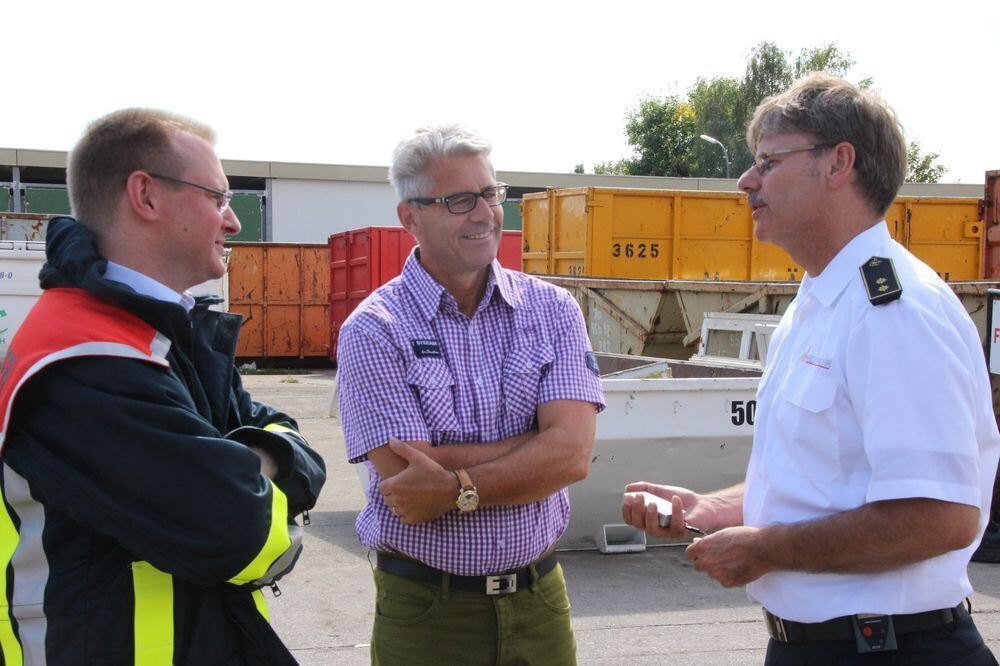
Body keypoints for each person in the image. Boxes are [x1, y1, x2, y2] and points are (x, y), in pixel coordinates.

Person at [622, 73, 1000, 665]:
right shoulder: (819, 303)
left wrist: (767, 548)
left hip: (891, 648)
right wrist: (713, 511)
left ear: (837, 164)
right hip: (824, 646)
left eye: (769, 161)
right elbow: (827, 479)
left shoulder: (894, 311)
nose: (747, 181)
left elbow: (939, 517)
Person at [0, 109, 326, 664]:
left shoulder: (158, 337)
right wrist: (260, 461)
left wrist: (255, 456)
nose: (234, 223)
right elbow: (237, 535)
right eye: (218, 198)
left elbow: (293, 443)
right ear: (146, 196)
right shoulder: (85, 362)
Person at [336, 124, 605, 665]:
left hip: (540, 603)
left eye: (490, 193)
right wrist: (535, 444)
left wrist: (456, 486)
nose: (484, 213)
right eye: (460, 200)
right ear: (409, 217)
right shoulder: (374, 329)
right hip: (427, 613)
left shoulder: (552, 311)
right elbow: (407, 477)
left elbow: (572, 456)